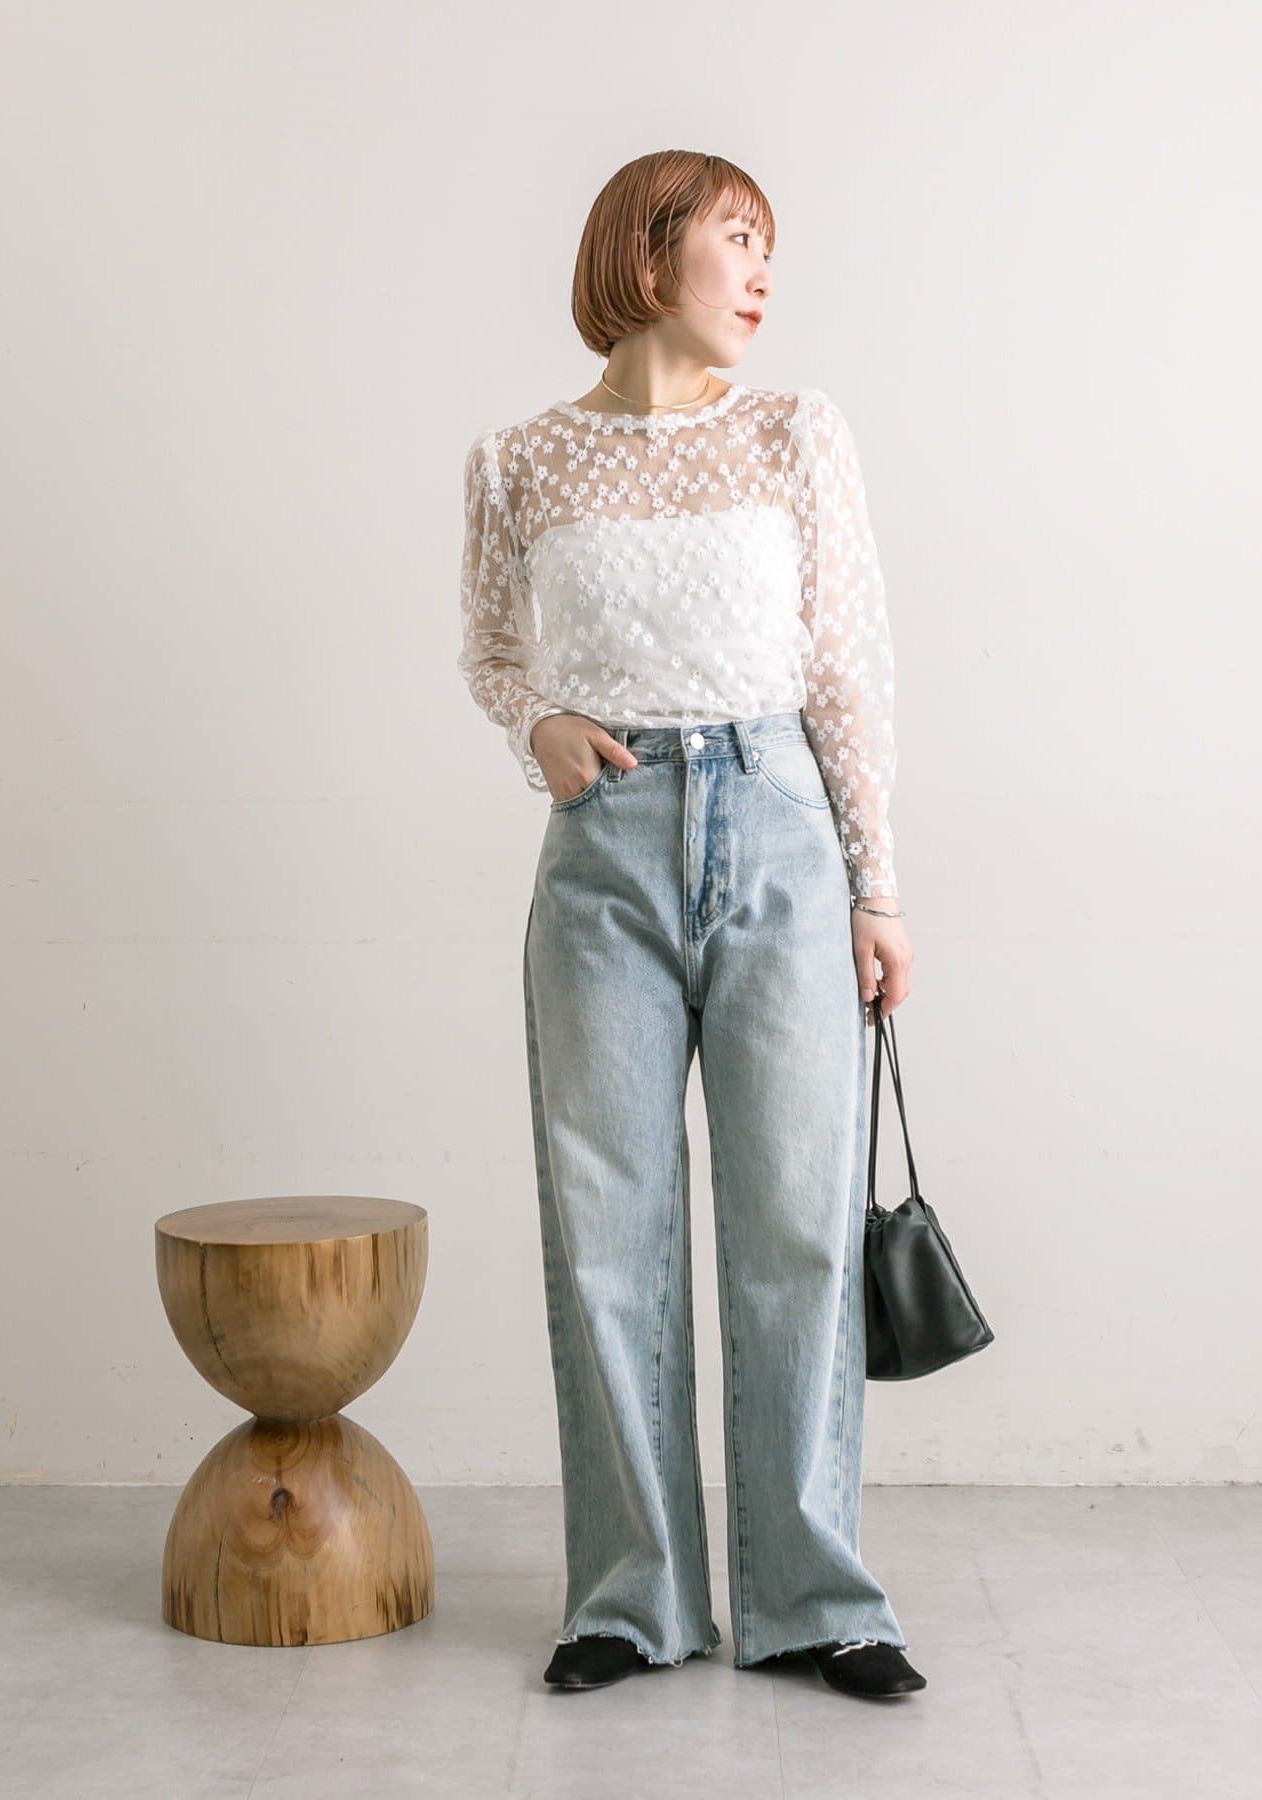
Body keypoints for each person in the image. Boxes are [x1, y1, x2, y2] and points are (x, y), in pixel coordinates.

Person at [457, 150, 923, 1701]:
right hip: (604, 853)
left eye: (768, 244)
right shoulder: (522, 460)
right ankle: (632, 1599)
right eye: (738, 238)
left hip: (780, 829)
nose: (764, 272)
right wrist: (534, 724)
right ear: (649, 256)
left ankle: (813, 1602)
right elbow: (492, 648)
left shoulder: (795, 432)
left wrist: (876, 884)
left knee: (797, 1227)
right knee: (608, 1235)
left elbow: (846, 663)